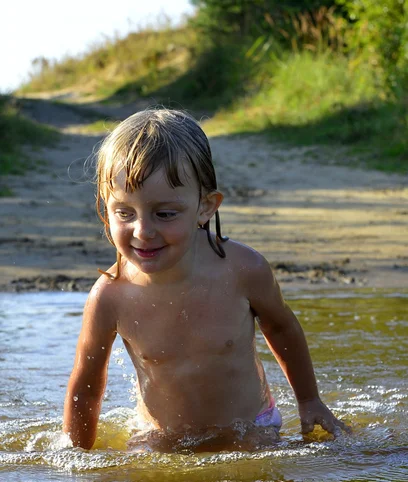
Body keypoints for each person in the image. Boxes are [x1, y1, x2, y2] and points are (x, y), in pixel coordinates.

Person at [63, 108, 349, 452]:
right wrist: (79, 466)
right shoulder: (111, 296)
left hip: (251, 428)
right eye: (124, 213)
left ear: (205, 207)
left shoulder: (244, 270)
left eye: (165, 214)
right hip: (163, 437)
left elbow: (282, 328)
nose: (143, 231)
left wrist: (310, 401)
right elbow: (86, 387)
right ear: (104, 208)